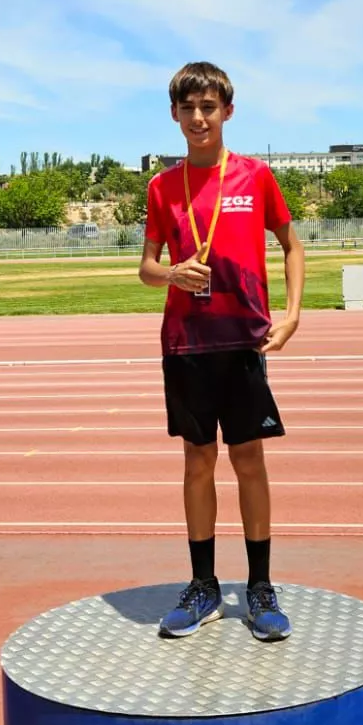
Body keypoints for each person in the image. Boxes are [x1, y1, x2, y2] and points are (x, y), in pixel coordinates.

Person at [138, 61, 305, 642]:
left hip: (242, 340)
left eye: (209, 107)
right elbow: (146, 268)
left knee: (249, 460)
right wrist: (171, 273)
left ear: (227, 111)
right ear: (174, 114)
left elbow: (291, 245)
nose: (199, 118)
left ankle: (259, 588)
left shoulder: (255, 176)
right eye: (188, 108)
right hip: (187, 342)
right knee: (197, 462)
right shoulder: (162, 187)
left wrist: (292, 314)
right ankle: (203, 585)